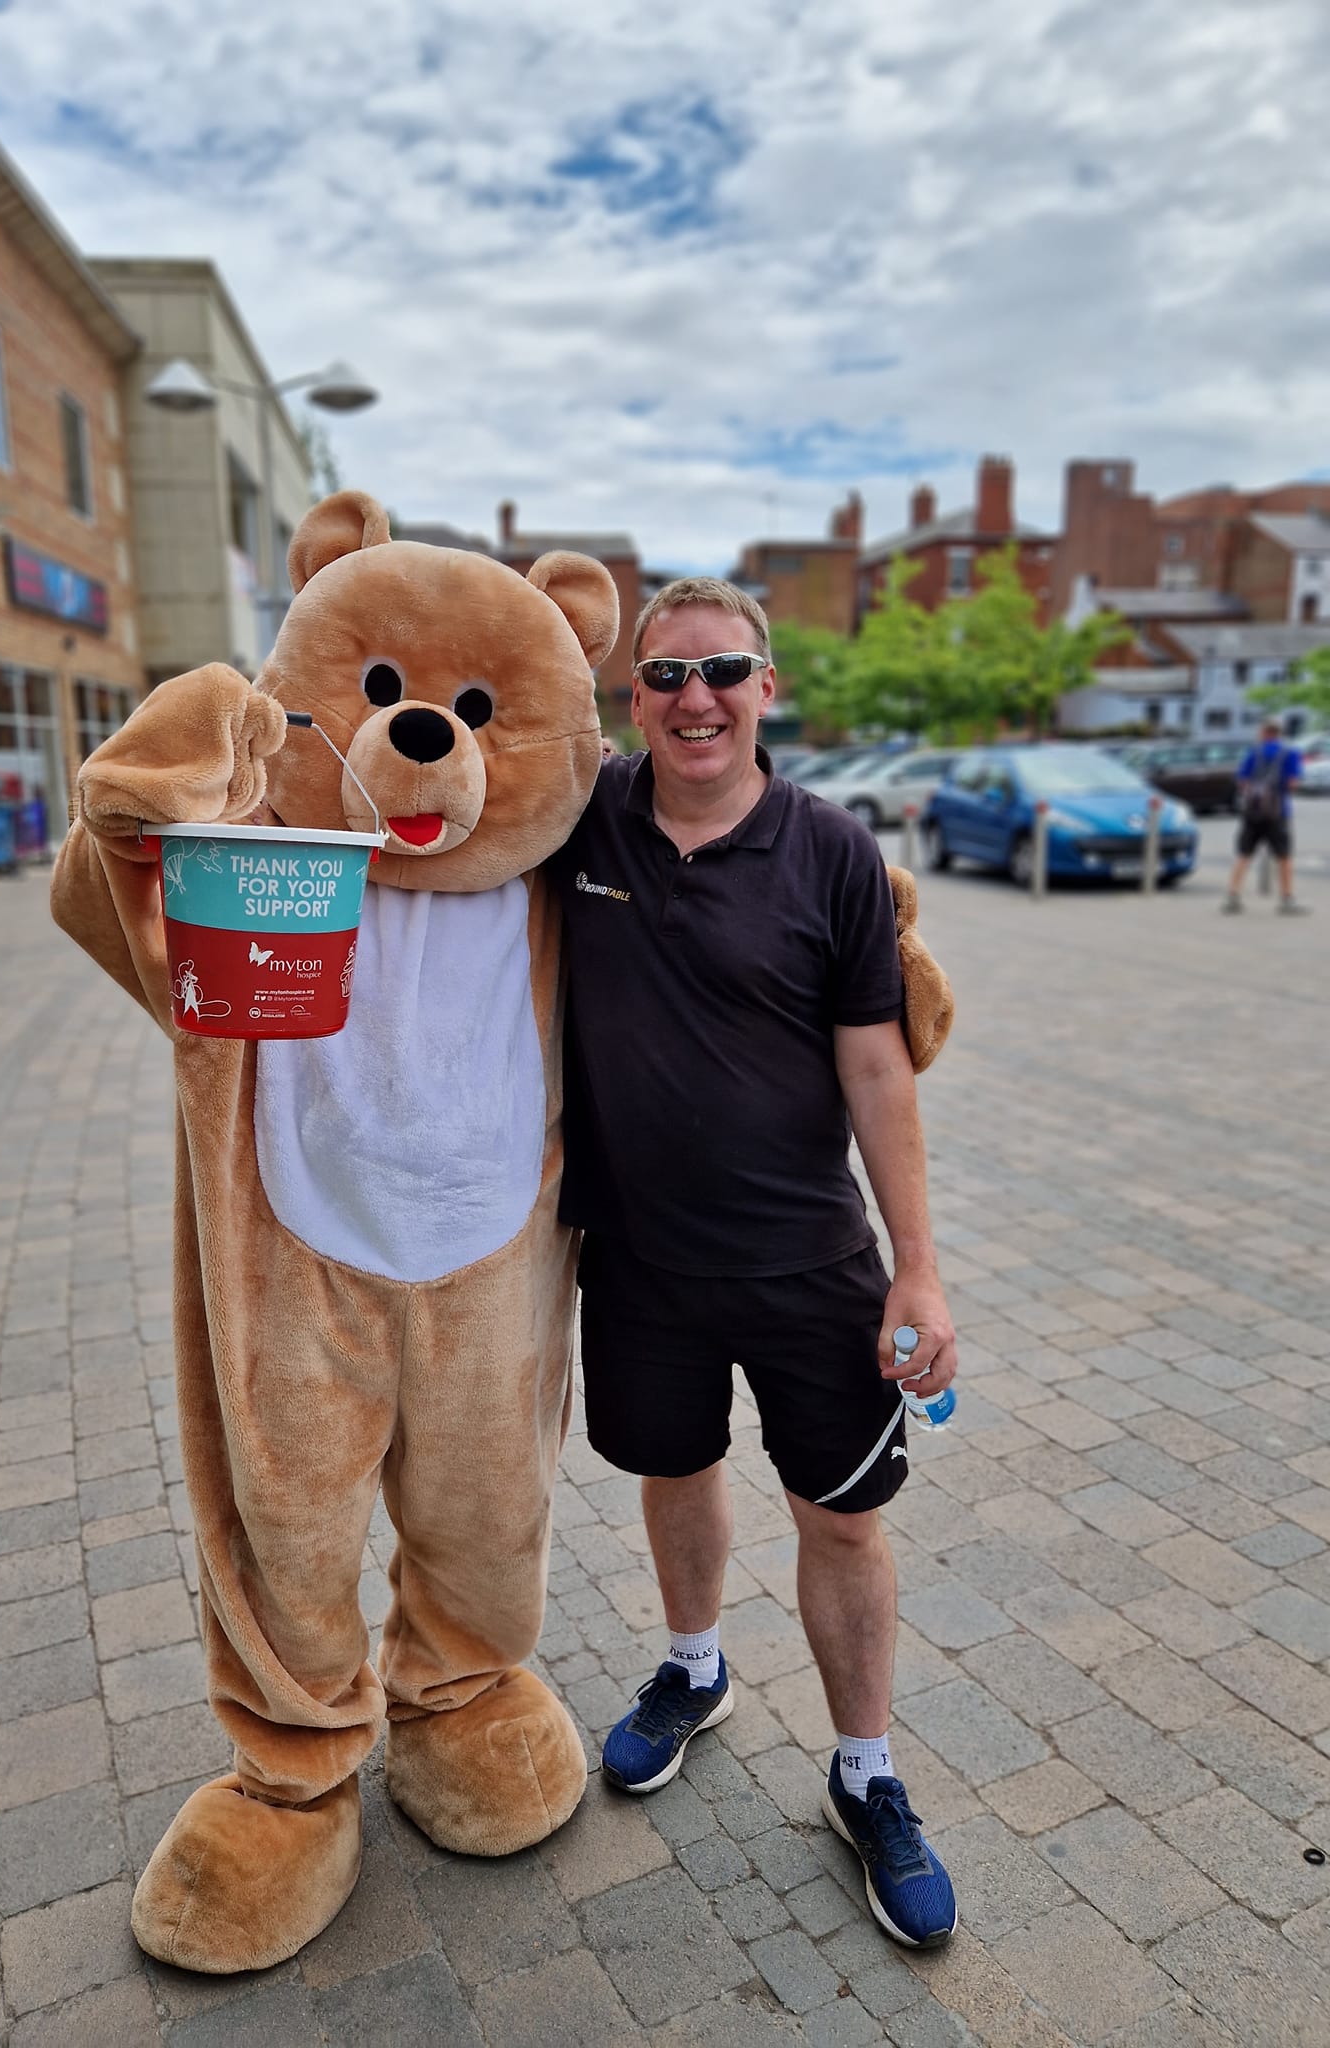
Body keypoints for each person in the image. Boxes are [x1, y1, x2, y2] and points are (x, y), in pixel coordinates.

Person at [548, 578, 959, 1950]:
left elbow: (875, 1064)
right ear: (633, 697)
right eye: (664, 676)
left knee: (841, 1518)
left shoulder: (831, 851)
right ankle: (693, 1667)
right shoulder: (586, 818)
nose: (695, 698)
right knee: (674, 1471)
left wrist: (921, 1273)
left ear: (767, 686)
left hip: (806, 1264)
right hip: (642, 1261)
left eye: (722, 670)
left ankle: (867, 1773)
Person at [1222, 719, 1309, 914]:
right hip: (1278, 812)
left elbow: (1242, 780)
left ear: (1265, 732)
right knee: (1284, 856)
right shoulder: (1291, 753)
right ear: (1279, 733)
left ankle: (1233, 896)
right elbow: (1293, 783)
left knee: (1244, 853)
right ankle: (1287, 899)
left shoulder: (1254, 752)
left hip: (1253, 811)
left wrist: (1256, 791)